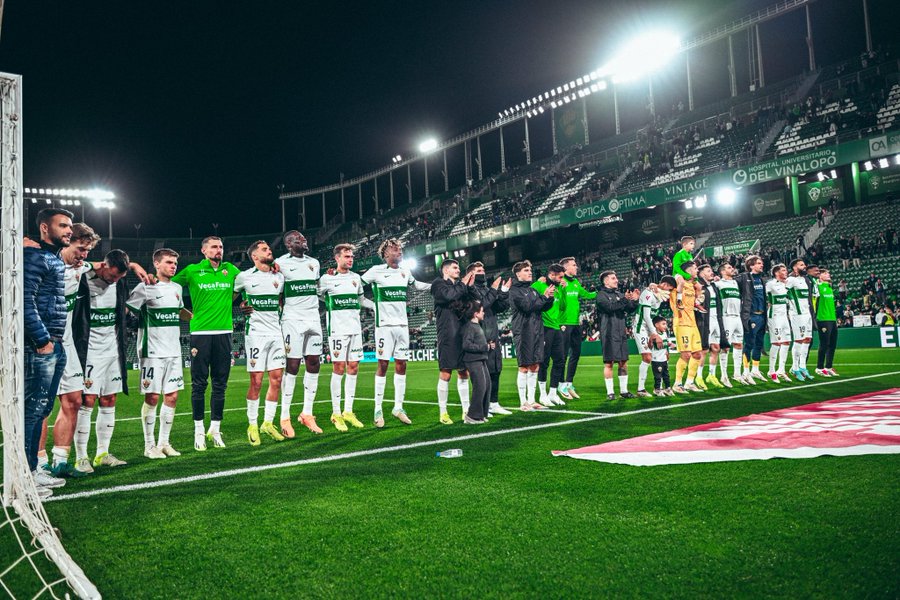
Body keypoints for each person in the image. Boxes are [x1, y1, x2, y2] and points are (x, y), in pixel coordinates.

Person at [172, 236, 240, 450]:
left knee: (220, 384)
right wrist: (181, 311)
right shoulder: (192, 270)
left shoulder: (232, 270)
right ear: (203, 251)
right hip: (200, 332)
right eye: (213, 247)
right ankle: (199, 430)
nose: (218, 250)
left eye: (220, 247)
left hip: (225, 332)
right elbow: (167, 286)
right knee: (199, 384)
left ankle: (215, 429)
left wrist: (239, 301)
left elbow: (251, 281)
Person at [24, 208, 73, 498]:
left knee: (42, 409)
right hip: (40, 346)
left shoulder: (51, 257)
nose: (69, 230)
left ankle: (32, 469)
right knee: (32, 411)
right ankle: (25, 475)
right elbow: (24, 299)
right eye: (63, 225)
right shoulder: (33, 256)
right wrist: (42, 340)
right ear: (44, 228)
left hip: (55, 343)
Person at [127, 248, 192, 458]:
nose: (173, 266)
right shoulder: (145, 287)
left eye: (175, 263)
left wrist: (196, 317)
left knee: (172, 397)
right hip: (152, 351)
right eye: (169, 262)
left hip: (174, 351)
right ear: (156, 264)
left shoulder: (177, 288)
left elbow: (181, 312)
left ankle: (164, 442)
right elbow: (128, 311)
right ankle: (149, 446)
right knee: (153, 397)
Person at [361, 238, 431, 427]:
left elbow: (416, 285)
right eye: (395, 249)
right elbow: (357, 288)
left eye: (400, 249)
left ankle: (398, 407)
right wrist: (372, 305)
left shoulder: (404, 271)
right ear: (385, 253)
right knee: (383, 364)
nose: (399, 251)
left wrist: (438, 285)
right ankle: (378, 409)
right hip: (384, 326)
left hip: (402, 326)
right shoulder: (375, 271)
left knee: (402, 364)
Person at [74, 249, 131, 468]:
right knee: (87, 401)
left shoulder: (119, 283)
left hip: (112, 350)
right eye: (112, 275)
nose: (114, 280)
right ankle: (81, 457)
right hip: (89, 351)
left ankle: (102, 453)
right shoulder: (84, 280)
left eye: (119, 278)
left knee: (109, 400)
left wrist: (133, 267)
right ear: (103, 266)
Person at [235, 241, 286, 445]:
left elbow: (282, 300)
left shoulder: (279, 276)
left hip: (276, 334)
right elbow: (231, 298)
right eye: (264, 249)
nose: (269, 251)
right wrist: (240, 304)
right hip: (256, 335)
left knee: (276, 380)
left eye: (269, 248)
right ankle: (252, 424)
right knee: (256, 381)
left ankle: (268, 423)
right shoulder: (244, 277)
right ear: (254, 256)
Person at [318, 243, 372, 431]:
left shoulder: (356, 278)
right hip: (338, 330)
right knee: (338, 368)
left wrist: (377, 306)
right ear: (337, 258)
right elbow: (318, 295)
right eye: (346, 256)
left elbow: (360, 300)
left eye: (351, 256)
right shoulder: (326, 279)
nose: (350, 259)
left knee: (354, 367)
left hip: (355, 329)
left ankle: (348, 411)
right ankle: (336, 413)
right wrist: (330, 303)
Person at [275, 230, 322, 436]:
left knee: (314, 363)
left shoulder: (315, 263)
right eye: (298, 239)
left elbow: (318, 288)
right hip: (292, 320)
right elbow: (274, 289)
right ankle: (284, 416)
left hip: (313, 318)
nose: (304, 240)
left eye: (303, 238)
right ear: (288, 244)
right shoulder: (280, 263)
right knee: (292, 365)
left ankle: (307, 414)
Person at [430, 258, 475, 424]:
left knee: (464, 372)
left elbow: (471, 305)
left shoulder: (460, 288)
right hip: (448, 334)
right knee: (446, 373)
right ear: (446, 270)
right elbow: (449, 296)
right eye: (455, 267)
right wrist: (463, 284)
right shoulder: (437, 284)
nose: (458, 270)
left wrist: (469, 287)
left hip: (463, 333)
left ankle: (466, 411)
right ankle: (443, 412)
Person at [467, 262, 512, 416]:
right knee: (481, 374)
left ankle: (494, 403)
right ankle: (482, 405)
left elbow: (500, 307)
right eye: (479, 270)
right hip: (479, 335)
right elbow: (483, 305)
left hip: (493, 333)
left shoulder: (486, 289)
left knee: (496, 369)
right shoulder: (470, 290)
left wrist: (504, 291)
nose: (483, 272)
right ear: (471, 274)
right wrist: (494, 290)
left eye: (483, 270)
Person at [508, 260, 554, 411]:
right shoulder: (514, 291)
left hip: (537, 330)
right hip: (523, 331)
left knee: (535, 365)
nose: (530, 273)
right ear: (518, 273)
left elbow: (543, 306)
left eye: (530, 270)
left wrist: (549, 298)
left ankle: (532, 400)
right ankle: (523, 403)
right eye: (526, 270)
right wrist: (544, 297)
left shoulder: (533, 290)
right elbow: (528, 307)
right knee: (524, 366)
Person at [596, 270, 640, 400]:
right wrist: (624, 300)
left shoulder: (619, 294)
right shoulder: (601, 295)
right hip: (608, 332)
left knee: (623, 362)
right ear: (606, 281)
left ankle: (624, 391)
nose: (616, 280)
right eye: (613, 278)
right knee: (609, 363)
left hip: (621, 332)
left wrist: (635, 301)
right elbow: (609, 308)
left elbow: (629, 309)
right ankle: (610, 392)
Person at [557, 257, 597, 399]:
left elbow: (587, 295)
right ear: (566, 268)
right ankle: (560, 385)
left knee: (576, 354)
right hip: (563, 323)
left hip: (575, 324)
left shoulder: (575, 283)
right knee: (562, 356)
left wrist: (602, 291)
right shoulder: (560, 282)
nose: (576, 267)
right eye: (574, 265)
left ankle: (568, 383)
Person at [632, 276, 676, 397]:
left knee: (656, 357)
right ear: (665, 285)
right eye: (670, 289)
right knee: (647, 357)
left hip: (650, 329)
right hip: (641, 328)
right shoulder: (648, 294)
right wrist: (654, 333)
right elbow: (646, 316)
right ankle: (641, 390)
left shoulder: (659, 296)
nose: (669, 292)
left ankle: (659, 387)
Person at [534, 264, 568, 407]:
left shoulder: (560, 288)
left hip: (556, 327)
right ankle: (542, 395)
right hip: (544, 327)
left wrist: (564, 290)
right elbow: (532, 302)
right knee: (544, 362)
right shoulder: (539, 285)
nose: (562, 279)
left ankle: (553, 393)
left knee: (560, 360)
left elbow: (562, 307)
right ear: (552, 274)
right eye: (560, 276)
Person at [669, 261, 703, 393]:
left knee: (697, 354)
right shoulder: (677, 284)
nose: (697, 271)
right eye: (695, 268)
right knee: (686, 354)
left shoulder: (692, 286)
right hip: (681, 322)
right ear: (688, 271)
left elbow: (699, 289)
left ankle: (689, 382)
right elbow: (669, 280)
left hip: (692, 323)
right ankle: (677, 384)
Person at [736, 255, 768, 383]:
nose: (761, 265)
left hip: (762, 316)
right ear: (751, 265)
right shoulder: (744, 278)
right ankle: (745, 372)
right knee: (749, 343)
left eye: (761, 263)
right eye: (759, 263)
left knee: (759, 344)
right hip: (751, 315)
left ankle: (755, 370)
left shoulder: (762, 280)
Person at [696, 264, 728, 389]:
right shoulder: (698, 286)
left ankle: (711, 375)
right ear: (701, 273)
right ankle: (699, 377)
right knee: (703, 349)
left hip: (716, 320)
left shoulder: (714, 286)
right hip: (705, 321)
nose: (712, 273)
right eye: (708, 271)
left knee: (716, 348)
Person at [714, 262, 746, 386]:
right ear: (722, 271)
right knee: (725, 347)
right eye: (729, 268)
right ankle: (724, 375)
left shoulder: (736, 283)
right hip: (726, 317)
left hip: (738, 317)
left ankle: (737, 374)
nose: (732, 269)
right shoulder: (718, 284)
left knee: (739, 345)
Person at [460, 301, 491, 424]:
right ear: (475, 314)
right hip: (473, 360)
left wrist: (487, 346)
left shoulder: (477, 325)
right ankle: (472, 416)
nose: (483, 313)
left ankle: (481, 414)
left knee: (487, 385)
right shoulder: (469, 327)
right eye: (481, 311)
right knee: (480, 386)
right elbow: (466, 345)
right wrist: (484, 347)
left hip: (481, 359)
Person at [786, 258, 816, 382]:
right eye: (801, 265)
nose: (804, 266)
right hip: (797, 314)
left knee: (807, 340)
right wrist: (790, 308)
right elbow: (783, 293)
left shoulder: (804, 280)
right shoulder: (790, 279)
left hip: (807, 313)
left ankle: (803, 366)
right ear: (794, 267)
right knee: (798, 340)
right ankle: (795, 367)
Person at [766, 264, 793, 382]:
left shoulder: (786, 285)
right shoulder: (770, 284)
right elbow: (764, 295)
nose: (786, 272)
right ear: (777, 273)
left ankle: (781, 370)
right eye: (783, 270)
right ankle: (771, 371)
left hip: (784, 317)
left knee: (786, 342)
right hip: (774, 316)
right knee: (776, 343)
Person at [814, 269, 840, 377]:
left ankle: (828, 367)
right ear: (820, 276)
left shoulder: (830, 288)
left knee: (832, 345)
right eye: (825, 273)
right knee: (824, 344)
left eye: (828, 273)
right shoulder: (818, 287)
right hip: (823, 319)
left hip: (832, 319)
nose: (828, 274)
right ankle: (819, 367)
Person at [650, 316, 673, 397]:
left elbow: (666, 344)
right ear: (656, 325)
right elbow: (654, 346)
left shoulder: (665, 333)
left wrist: (668, 350)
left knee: (666, 375)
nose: (665, 326)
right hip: (656, 359)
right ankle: (657, 389)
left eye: (666, 324)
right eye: (663, 324)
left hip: (664, 359)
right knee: (658, 376)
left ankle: (667, 388)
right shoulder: (654, 335)